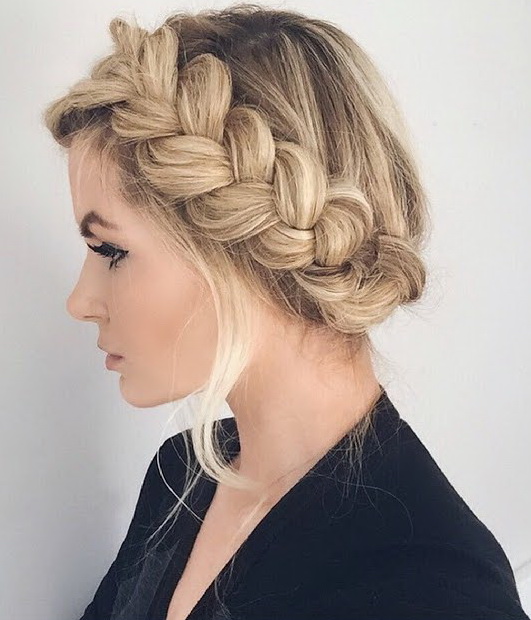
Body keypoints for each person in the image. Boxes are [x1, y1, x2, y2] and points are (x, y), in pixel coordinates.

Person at [42, 4, 529, 619]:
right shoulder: (182, 479)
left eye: (110, 251)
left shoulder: (434, 593)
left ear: (244, 248)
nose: (79, 302)